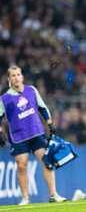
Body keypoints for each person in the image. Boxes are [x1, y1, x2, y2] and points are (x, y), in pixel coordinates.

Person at [0, 66, 66, 205]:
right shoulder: (4, 99)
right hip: (19, 137)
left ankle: (53, 194)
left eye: (18, 74)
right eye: (13, 75)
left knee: (47, 162)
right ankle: (25, 198)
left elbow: (42, 107)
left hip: (36, 133)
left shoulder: (31, 90)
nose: (16, 77)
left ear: (22, 77)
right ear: (9, 79)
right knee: (21, 166)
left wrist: (50, 123)